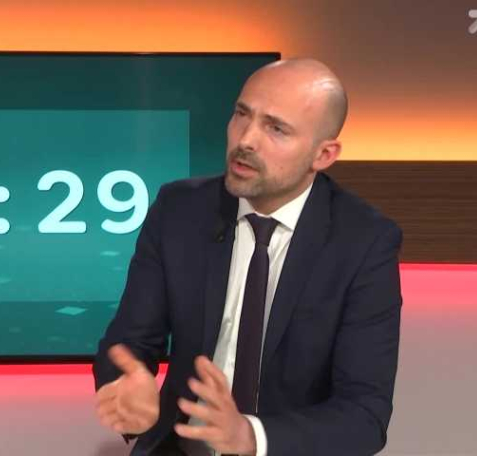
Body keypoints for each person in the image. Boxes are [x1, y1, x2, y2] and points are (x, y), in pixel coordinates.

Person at [93, 58, 403, 456]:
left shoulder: (364, 242)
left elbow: (364, 417)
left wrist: (250, 436)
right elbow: (129, 342)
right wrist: (126, 388)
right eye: (242, 114)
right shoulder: (180, 210)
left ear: (323, 155)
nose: (247, 139)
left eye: (276, 128)